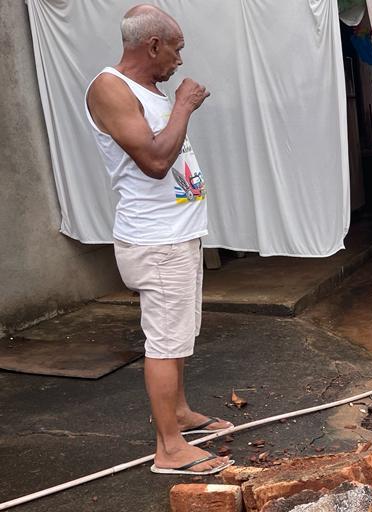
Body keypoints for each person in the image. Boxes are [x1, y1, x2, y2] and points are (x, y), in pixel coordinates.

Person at [85, 4, 232, 475]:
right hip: (155, 239)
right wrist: (185, 105)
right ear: (152, 45)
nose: (180, 60)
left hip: (177, 234)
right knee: (164, 343)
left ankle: (181, 414)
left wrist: (177, 104)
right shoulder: (111, 87)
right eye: (177, 48)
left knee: (179, 335)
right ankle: (169, 449)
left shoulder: (148, 89)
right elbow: (153, 161)